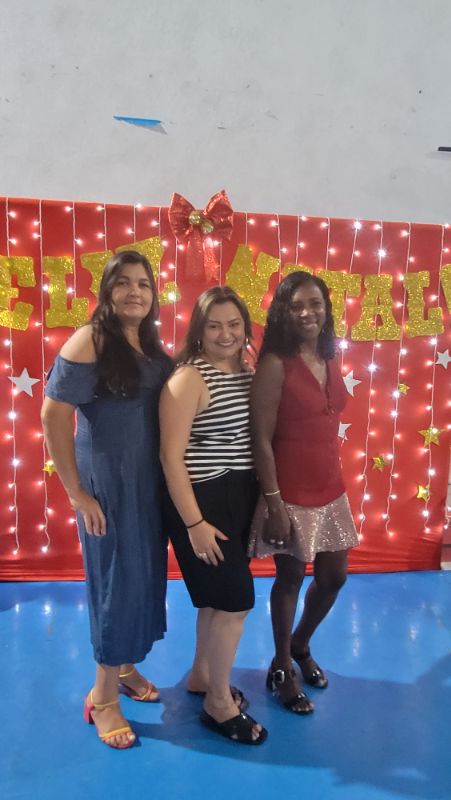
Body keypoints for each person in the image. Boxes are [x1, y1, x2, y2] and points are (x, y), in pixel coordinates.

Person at [41, 250, 172, 749]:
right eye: (123, 283)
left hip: (147, 484)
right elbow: (53, 416)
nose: (134, 292)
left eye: (143, 283)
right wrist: (77, 493)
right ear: (106, 290)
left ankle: (125, 668)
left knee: (142, 578)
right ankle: (102, 698)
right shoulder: (90, 339)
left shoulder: (148, 342)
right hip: (109, 487)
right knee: (116, 582)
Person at [159, 286, 267, 745]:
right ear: (199, 331)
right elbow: (170, 457)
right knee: (236, 602)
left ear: (246, 328)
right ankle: (218, 703)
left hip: (239, 494)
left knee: (216, 601)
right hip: (202, 500)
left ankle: (202, 676)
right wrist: (194, 523)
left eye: (234, 324)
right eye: (215, 325)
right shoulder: (188, 378)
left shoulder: (247, 373)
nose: (226, 334)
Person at [248, 271, 359, 714]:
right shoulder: (275, 364)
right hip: (289, 493)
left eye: (315, 304)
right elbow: (260, 439)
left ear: (326, 308)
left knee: (334, 578)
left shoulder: (329, 355)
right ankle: (281, 667)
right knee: (290, 579)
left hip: (331, 488)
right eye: (296, 306)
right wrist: (273, 504)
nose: (307, 313)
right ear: (283, 313)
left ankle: (300, 644)